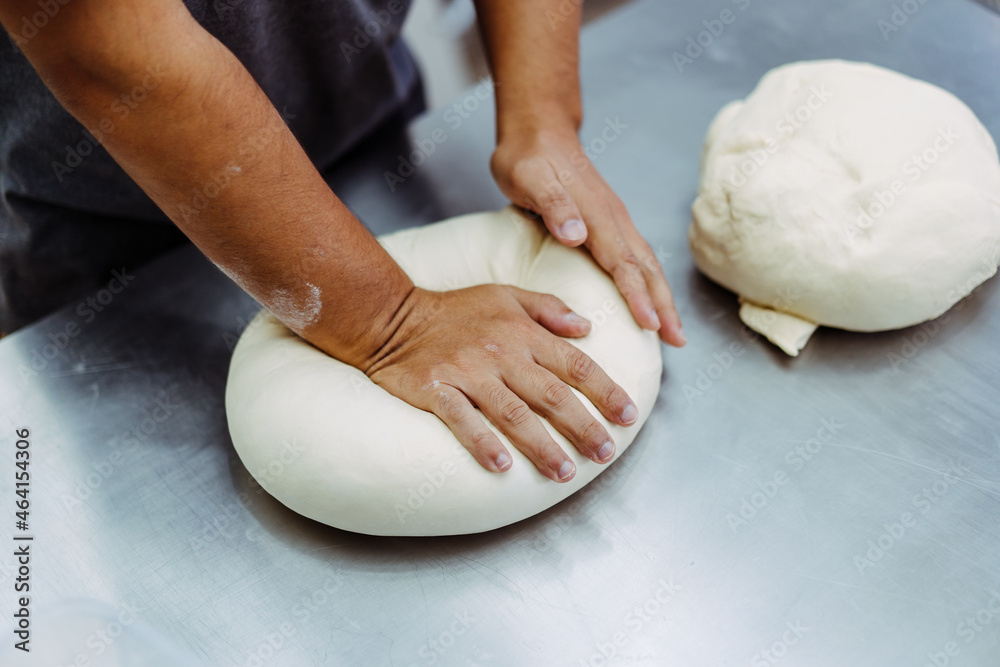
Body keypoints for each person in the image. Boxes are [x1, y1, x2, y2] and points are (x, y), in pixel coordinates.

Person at [0, 0, 685, 483]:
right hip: (112, 236)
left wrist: (543, 116)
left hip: (378, 136)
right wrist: (392, 324)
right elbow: (109, 49)